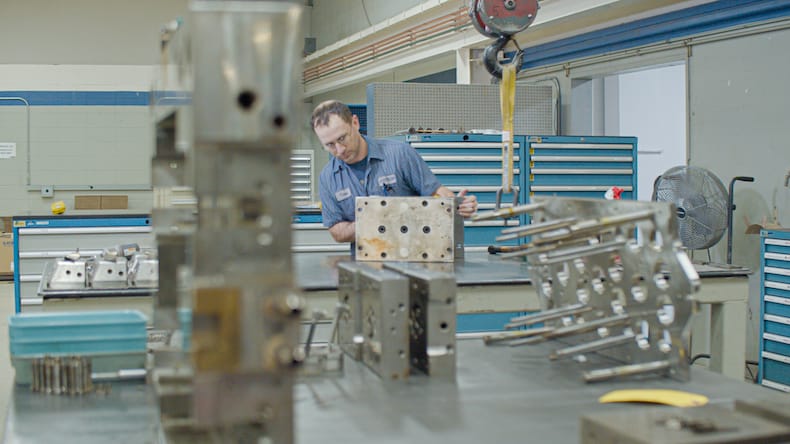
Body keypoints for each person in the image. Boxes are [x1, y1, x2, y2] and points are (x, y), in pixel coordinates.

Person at [311, 100, 478, 243]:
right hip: (366, 262)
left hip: (414, 258)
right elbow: (337, 232)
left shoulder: (399, 154)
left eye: (342, 138)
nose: (339, 150)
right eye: (329, 145)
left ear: (355, 123)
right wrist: (372, 219)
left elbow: (436, 192)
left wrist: (457, 205)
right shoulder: (328, 178)